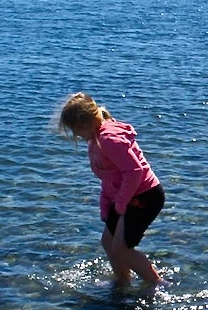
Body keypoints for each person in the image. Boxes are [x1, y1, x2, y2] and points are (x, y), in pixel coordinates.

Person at [57, 92, 165, 286]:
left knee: (122, 248)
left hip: (144, 196)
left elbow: (134, 172)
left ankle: (156, 285)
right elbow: (110, 177)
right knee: (108, 243)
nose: (76, 136)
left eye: (76, 131)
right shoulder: (95, 138)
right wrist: (107, 206)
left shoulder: (109, 140)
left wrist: (121, 205)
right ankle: (123, 281)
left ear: (86, 124)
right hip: (125, 196)